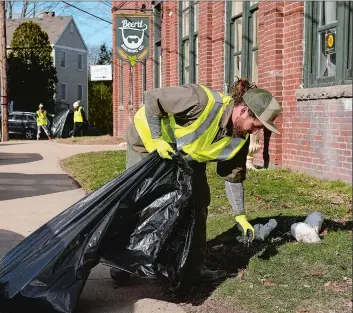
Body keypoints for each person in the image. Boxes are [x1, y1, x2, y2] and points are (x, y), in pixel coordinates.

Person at [110, 78, 282, 283]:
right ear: (243, 110)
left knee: (199, 202)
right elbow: (152, 98)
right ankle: (121, 262)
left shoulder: (240, 138)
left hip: (186, 157)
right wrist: (156, 139)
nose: (255, 132)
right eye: (256, 126)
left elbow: (232, 177)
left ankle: (193, 267)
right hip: (147, 145)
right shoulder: (200, 100)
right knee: (138, 200)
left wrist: (240, 215)